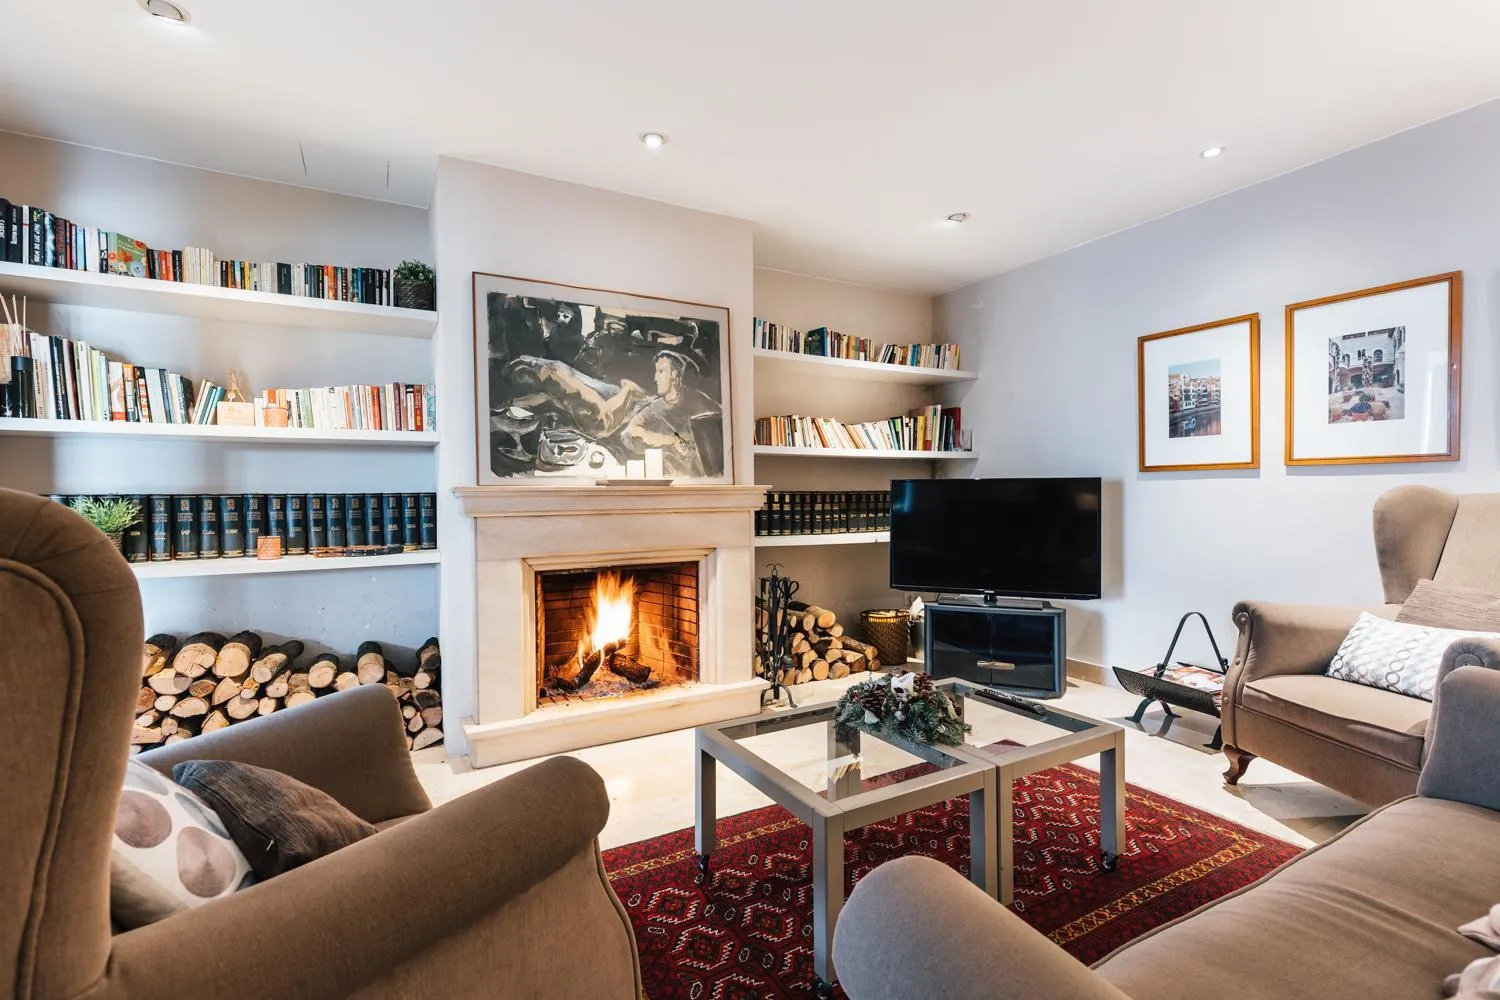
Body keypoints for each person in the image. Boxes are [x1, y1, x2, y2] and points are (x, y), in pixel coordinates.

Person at [623, 351, 720, 477]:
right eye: (656, 372)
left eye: (661, 371)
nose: (655, 378)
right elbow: (631, 432)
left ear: (674, 374)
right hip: (668, 478)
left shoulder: (698, 400)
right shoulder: (653, 408)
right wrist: (670, 441)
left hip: (701, 479)